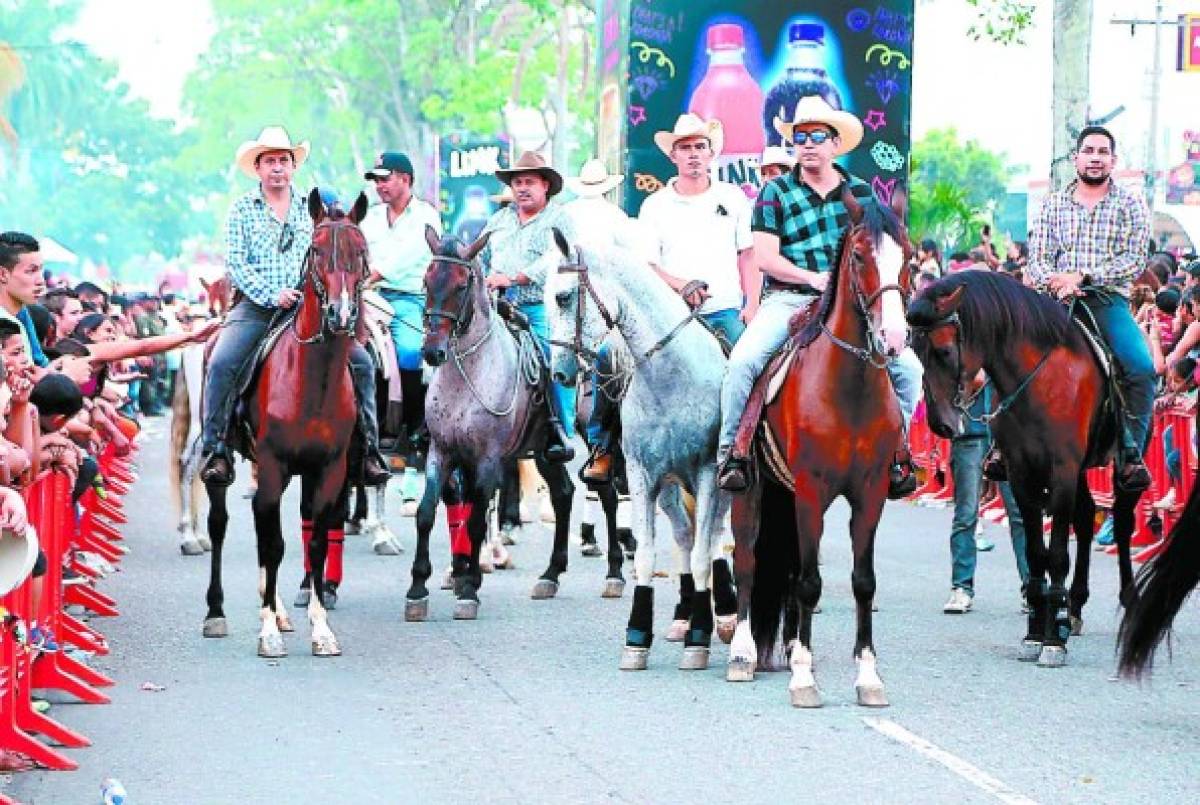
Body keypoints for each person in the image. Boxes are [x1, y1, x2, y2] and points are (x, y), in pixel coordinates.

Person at [716, 96, 922, 495]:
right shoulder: (775, 191)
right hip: (789, 298)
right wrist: (813, 279)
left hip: (853, 305)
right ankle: (733, 452)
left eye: (817, 135)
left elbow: (882, 248)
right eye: (800, 136)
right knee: (743, 361)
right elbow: (765, 259)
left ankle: (899, 454)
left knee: (910, 370)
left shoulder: (861, 193)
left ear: (835, 143)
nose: (808, 143)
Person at [200, 126, 389, 486]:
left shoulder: (312, 209)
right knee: (223, 361)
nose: (277, 168)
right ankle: (216, 449)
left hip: (309, 311)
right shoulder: (241, 210)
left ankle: (369, 451)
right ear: (258, 168)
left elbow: (334, 256)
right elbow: (237, 264)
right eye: (269, 161)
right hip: (255, 308)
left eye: (283, 161)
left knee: (363, 364)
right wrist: (274, 294)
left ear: (292, 167)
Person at [1024, 125, 1154, 492]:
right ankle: (1001, 448)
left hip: (1106, 300)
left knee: (1141, 368)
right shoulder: (1054, 203)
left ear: (1112, 160)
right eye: (1089, 151)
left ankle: (1132, 457)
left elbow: (1134, 259)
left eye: (1102, 152)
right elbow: (1037, 258)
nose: (1095, 157)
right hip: (1054, 301)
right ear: (1076, 158)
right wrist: (1056, 280)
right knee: (1001, 351)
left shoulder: (1129, 203)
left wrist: (1083, 276)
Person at [477, 151, 576, 461]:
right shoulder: (499, 219)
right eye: (517, 182)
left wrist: (515, 278)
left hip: (539, 308)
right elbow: (481, 257)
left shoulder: (559, 219)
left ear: (545, 185)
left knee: (551, 359)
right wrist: (481, 275)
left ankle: (559, 429)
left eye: (529, 182)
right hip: (497, 309)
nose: (521, 188)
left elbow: (558, 258)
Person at [638, 113, 756, 345]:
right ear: (673, 156)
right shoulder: (654, 205)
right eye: (684, 147)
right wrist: (682, 284)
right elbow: (647, 266)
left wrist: (752, 305)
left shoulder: (732, 196)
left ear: (710, 154)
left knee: (753, 368)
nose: (693, 154)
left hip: (726, 311)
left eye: (700, 146)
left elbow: (749, 254)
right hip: (672, 317)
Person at [559, 158, 640, 483]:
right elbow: (629, 263)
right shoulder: (616, 217)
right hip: (605, 306)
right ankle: (600, 443)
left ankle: (594, 444)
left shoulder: (568, 216)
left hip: (579, 303)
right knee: (608, 360)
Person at [360, 151, 443, 460]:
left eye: (385, 179)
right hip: (371, 296)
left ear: (405, 179)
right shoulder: (370, 218)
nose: (379, 186)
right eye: (377, 180)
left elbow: (409, 255)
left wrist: (372, 275)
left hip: (409, 297)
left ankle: (412, 427)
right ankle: (372, 428)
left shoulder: (427, 216)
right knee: (354, 348)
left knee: (408, 351)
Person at [943, 375, 1031, 614]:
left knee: (1020, 513)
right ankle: (961, 587)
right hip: (970, 430)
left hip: (1009, 431)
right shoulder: (958, 340)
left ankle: (1031, 586)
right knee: (966, 513)